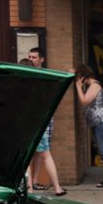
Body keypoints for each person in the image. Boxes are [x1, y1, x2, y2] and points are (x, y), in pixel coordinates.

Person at [26, 49, 66, 196]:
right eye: (29, 57)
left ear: (42, 59)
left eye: (34, 57)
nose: (31, 59)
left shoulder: (44, 76)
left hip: (39, 119)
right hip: (38, 119)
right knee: (41, 154)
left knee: (40, 153)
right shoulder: (32, 77)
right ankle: (37, 185)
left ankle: (32, 185)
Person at [74, 64, 103, 187]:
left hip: (102, 120)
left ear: (83, 76)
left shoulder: (94, 86)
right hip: (99, 121)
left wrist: (78, 87)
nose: (77, 80)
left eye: (78, 77)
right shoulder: (94, 85)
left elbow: (84, 101)